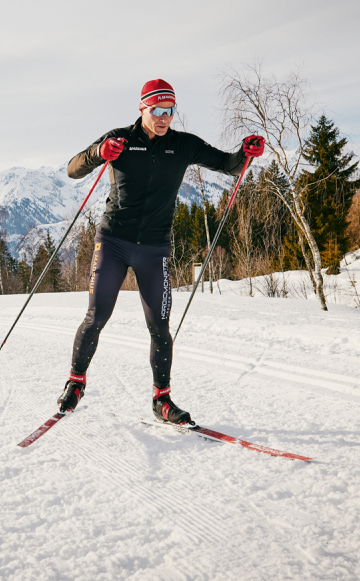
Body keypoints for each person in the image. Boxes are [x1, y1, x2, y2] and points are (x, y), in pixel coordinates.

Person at [56, 79, 264, 425]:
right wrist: (99, 152)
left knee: (160, 327)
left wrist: (246, 153)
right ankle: (75, 383)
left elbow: (229, 165)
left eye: (170, 110)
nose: (164, 117)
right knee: (97, 316)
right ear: (143, 108)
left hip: (154, 249)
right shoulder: (120, 139)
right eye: (157, 110)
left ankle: (162, 400)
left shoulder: (183, 145)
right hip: (113, 242)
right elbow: (73, 168)